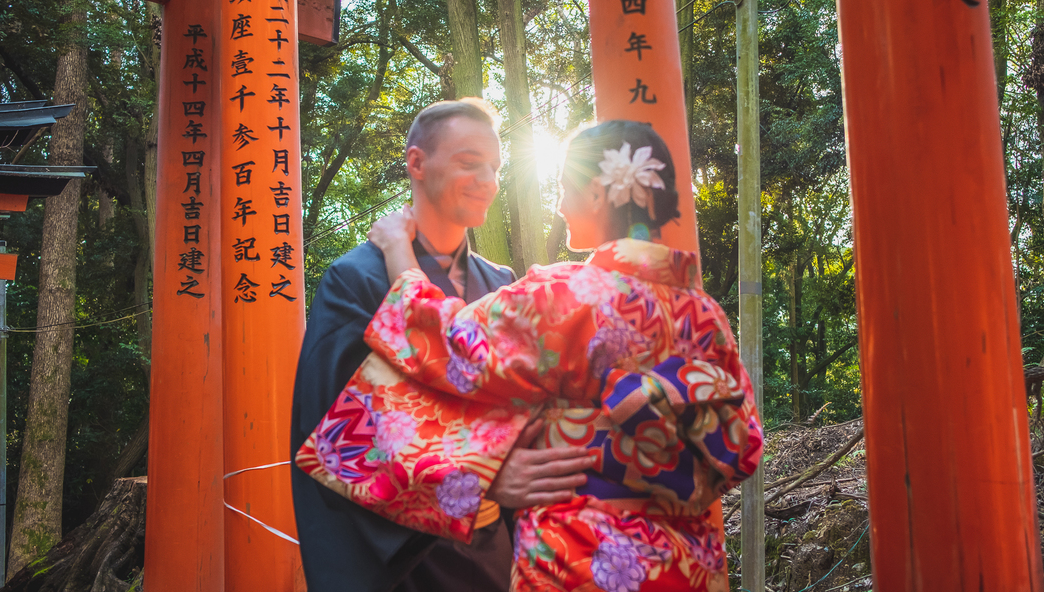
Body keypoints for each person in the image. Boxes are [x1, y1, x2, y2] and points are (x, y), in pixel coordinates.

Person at [306, 119, 763, 591]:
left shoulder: (564, 294)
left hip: (583, 556)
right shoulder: (705, 313)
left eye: (566, 188)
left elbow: (444, 339)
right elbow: (741, 445)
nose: (559, 204)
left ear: (599, 195)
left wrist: (398, 249)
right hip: (690, 562)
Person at [291, 98, 595, 592]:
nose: (488, 181)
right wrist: (479, 477)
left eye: (495, 167)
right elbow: (338, 437)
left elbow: (530, 413)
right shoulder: (356, 279)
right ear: (416, 162)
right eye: (468, 162)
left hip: (494, 554)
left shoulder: (501, 283)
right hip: (404, 562)